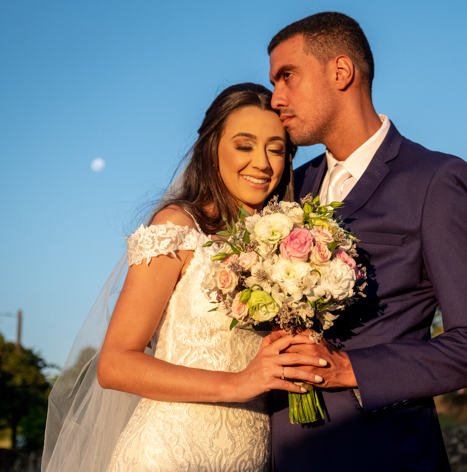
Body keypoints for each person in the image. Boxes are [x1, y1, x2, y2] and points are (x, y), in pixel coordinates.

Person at [266, 12, 467, 471]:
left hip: (384, 452)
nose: (276, 98)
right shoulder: (287, 187)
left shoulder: (434, 180)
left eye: (287, 76)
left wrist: (350, 369)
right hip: (282, 452)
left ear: (341, 71)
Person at [42, 83, 325, 472]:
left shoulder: (285, 245)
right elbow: (114, 364)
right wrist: (238, 383)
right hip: (169, 456)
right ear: (213, 150)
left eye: (275, 149)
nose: (262, 162)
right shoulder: (177, 227)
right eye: (244, 146)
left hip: (249, 458)